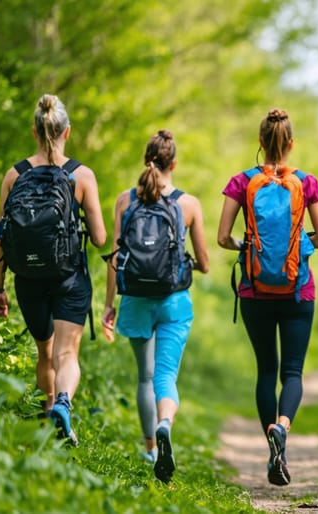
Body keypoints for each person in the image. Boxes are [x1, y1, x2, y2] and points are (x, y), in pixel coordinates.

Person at [217, 108, 318, 487]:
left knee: (266, 369)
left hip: (254, 289)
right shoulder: (307, 182)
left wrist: (248, 248)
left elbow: (222, 237)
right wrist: (297, 246)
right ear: (291, 143)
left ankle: (272, 446)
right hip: (299, 288)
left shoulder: (241, 181)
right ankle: (284, 426)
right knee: (293, 372)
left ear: (261, 142)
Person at [0, 94, 107, 446]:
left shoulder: (15, 175)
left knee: (45, 352)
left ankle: (47, 419)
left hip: (27, 279)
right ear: (66, 132)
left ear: (34, 131)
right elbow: (101, 239)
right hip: (69, 276)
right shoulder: (81, 175)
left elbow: (1, 234)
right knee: (67, 353)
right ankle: (64, 403)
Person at [102, 130, 210, 482]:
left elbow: (116, 259)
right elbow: (205, 263)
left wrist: (108, 305)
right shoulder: (188, 204)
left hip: (134, 299)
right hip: (174, 302)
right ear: (173, 163)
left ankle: (150, 447)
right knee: (165, 376)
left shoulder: (124, 200)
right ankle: (166, 422)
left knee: (145, 377)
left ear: (146, 160)